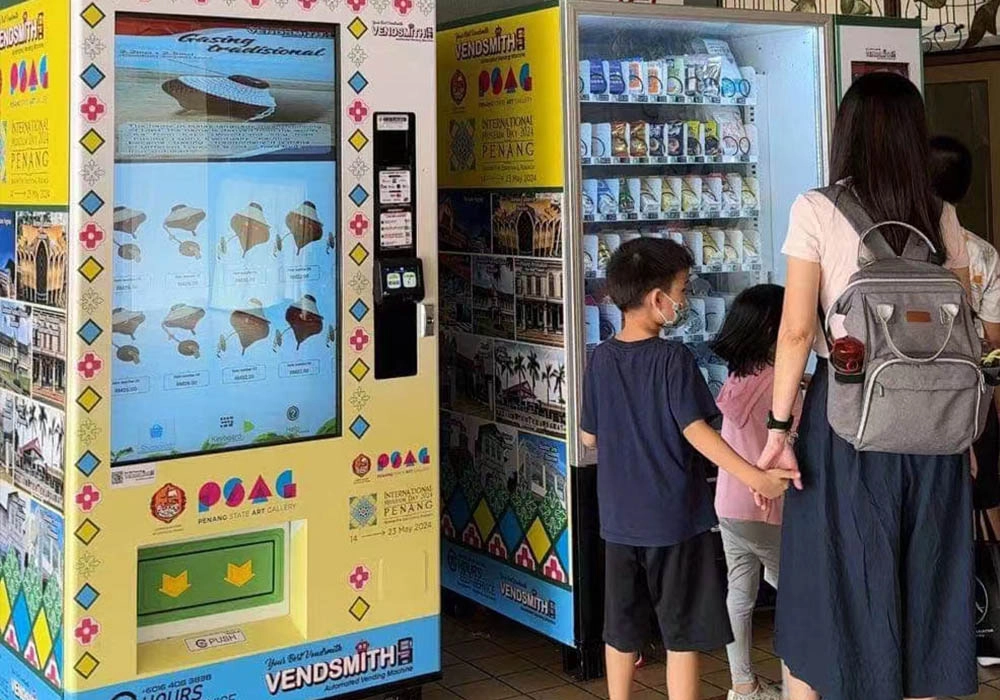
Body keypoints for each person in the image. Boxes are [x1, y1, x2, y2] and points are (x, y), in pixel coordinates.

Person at [759, 72, 976, 700]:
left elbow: (797, 330)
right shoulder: (940, 213)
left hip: (847, 425)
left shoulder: (817, 208)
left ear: (845, 131)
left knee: (827, 591)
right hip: (935, 435)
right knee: (928, 595)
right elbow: (957, 326)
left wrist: (778, 431)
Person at [579, 237, 799, 700]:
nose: (686, 300)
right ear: (658, 300)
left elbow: (589, 437)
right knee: (681, 634)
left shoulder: (599, 358)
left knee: (620, 628)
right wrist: (756, 476)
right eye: (683, 290)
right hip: (674, 521)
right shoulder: (672, 359)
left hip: (618, 521)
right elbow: (697, 432)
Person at [710, 284, 801, 700]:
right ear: (771, 326)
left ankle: (743, 685)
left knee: (740, 595)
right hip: (766, 505)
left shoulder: (738, 374)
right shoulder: (779, 382)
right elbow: (791, 437)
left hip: (729, 503)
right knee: (799, 595)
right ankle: (798, 683)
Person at [930, 135, 1000, 528]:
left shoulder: (897, 245)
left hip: (910, 393)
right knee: (985, 492)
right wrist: (992, 402)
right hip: (970, 392)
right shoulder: (983, 254)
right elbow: (993, 343)